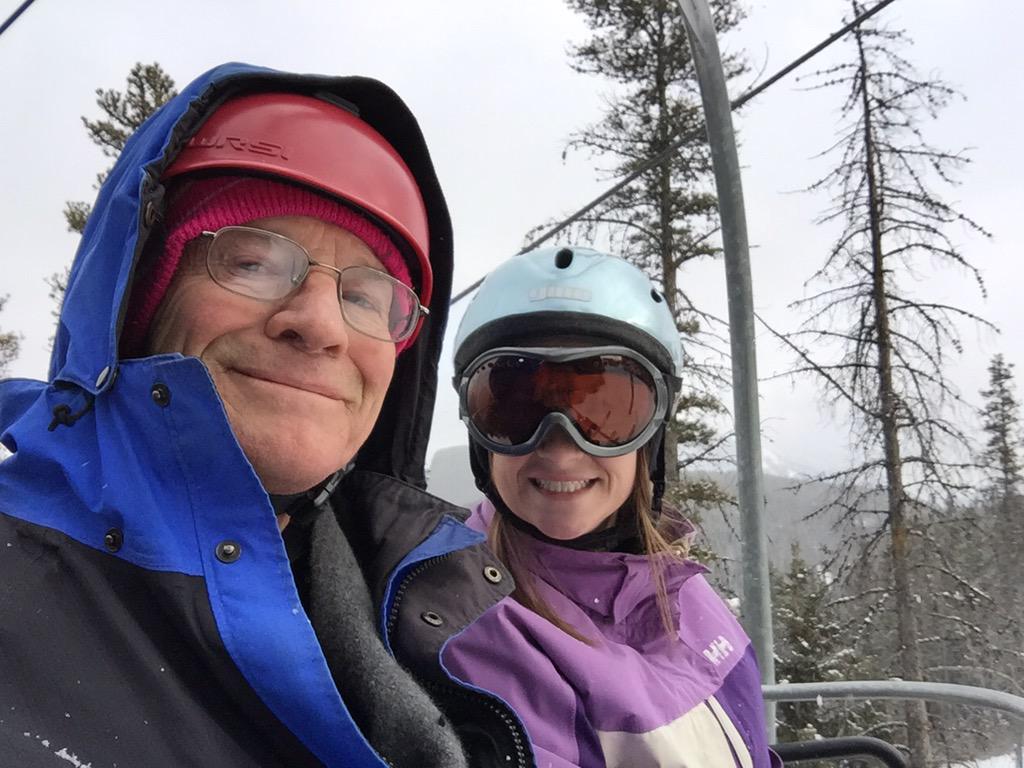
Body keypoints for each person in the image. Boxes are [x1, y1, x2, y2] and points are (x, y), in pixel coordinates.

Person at [0, 63, 533, 768]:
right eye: (251, 261)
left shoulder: (428, 606)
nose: (320, 325)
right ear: (134, 306)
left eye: (369, 296)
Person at [443, 246, 781, 768]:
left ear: (652, 434)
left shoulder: (679, 589)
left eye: (604, 408)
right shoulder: (467, 634)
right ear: (478, 437)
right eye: (513, 408)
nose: (560, 446)